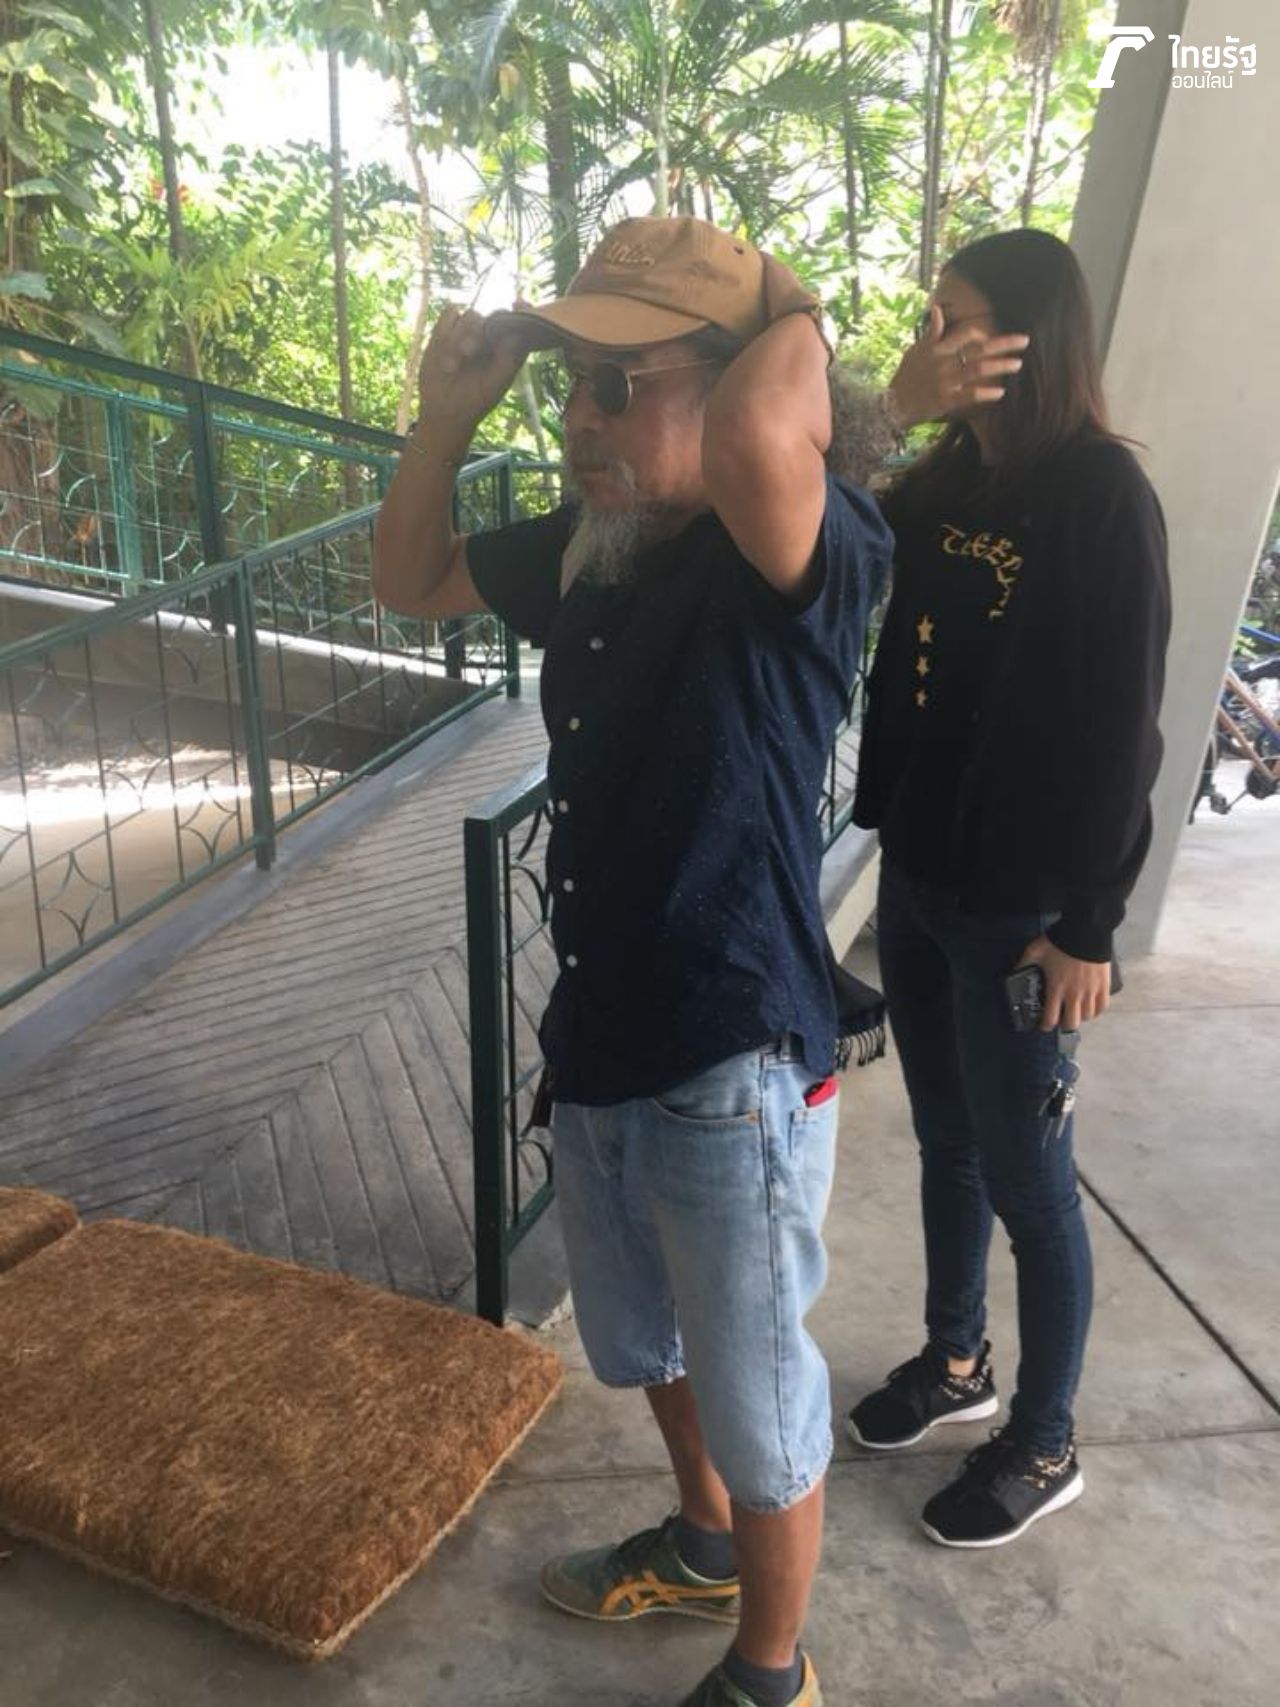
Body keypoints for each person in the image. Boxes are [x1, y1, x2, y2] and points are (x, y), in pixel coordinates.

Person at [370, 216, 1020, 1707]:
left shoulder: (804, 547)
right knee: (646, 1340)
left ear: (737, 384)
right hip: (605, 1025)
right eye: (571, 385)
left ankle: (770, 1674)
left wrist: (799, 318)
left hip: (733, 1050)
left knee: (760, 1390)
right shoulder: (594, 547)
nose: (580, 418)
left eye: (621, 383)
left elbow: (756, 439)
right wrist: (448, 415)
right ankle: (705, 1539)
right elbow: (410, 577)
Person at [847, 229, 1171, 1548]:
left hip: (1023, 904)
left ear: (1033, 337)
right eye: (932, 319)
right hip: (921, 872)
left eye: (960, 321)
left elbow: (1128, 728)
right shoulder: (943, 482)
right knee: (947, 1141)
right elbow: (828, 526)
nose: (937, 340)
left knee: (1032, 1185)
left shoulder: (1101, 494)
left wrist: (1088, 925)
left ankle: (1044, 1443)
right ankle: (956, 1362)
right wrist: (892, 408)